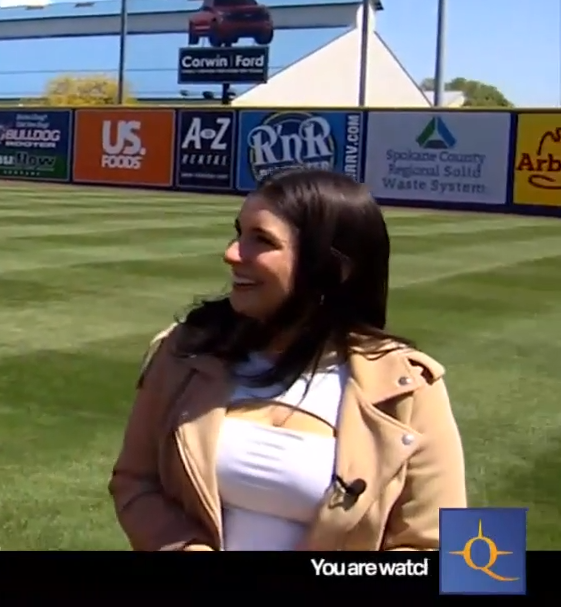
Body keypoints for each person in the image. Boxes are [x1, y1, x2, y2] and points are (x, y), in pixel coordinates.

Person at [109, 167, 466, 551]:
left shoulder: (411, 385)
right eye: (238, 233)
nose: (231, 254)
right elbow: (134, 481)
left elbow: (450, 551)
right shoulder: (185, 351)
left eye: (261, 240)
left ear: (333, 269)